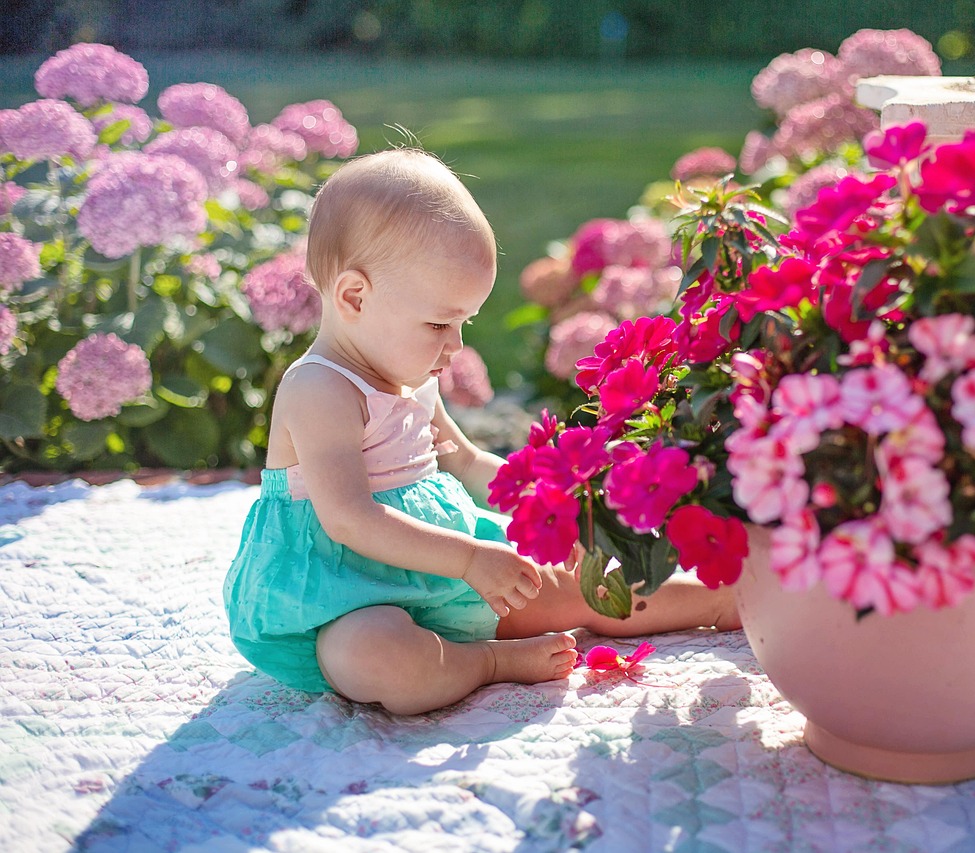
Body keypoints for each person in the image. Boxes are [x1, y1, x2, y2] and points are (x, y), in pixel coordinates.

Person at [223, 149, 739, 716]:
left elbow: (463, 463)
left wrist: (554, 504)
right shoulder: (319, 390)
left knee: (577, 590)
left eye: (463, 323)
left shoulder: (409, 376)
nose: (457, 345)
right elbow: (350, 519)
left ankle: (725, 599)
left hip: (441, 565)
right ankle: (489, 662)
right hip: (342, 597)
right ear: (353, 297)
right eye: (441, 323)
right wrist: (469, 559)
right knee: (374, 656)